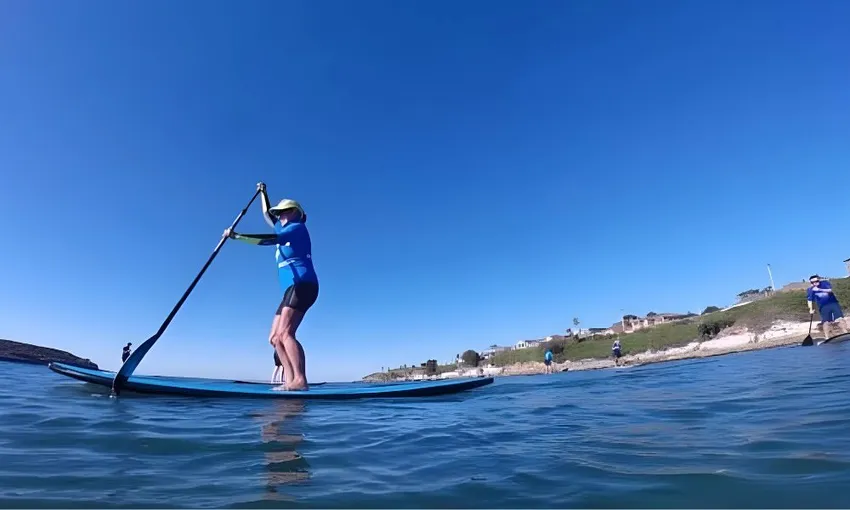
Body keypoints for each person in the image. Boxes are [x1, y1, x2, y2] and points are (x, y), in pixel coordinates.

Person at [226, 182, 319, 391]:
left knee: (286, 333)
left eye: (283, 212)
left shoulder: (297, 228)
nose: (280, 216)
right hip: (290, 290)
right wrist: (263, 192)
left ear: (294, 212)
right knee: (275, 338)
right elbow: (268, 214)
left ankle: (300, 380)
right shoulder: (284, 224)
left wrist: (238, 237)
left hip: (303, 284)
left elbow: (270, 239)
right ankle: (290, 381)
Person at [807, 274, 847, 339]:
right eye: (812, 282)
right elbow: (809, 300)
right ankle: (827, 337)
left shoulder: (825, 283)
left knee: (840, 319)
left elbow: (830, 290)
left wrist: (819, 289)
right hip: (823, 307)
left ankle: (845, 333)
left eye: (816, 281)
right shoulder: (810, 290)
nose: (815, 283)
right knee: (826, 322)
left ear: (819, 280)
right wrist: (811, 309)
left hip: (833, 303)